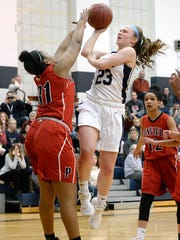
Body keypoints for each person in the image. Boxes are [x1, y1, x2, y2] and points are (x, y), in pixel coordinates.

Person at [77, 23, 167, 229]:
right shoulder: (110, 53)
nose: (120, 32)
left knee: (107, 167)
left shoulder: (129, 52)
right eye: (120, 30)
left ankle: (100, 205)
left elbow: (99, 64)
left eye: (125, 31)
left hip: (113, 110)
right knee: (87, 150)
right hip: (92, 104)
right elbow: (85, 52)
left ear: (133, 40)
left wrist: (94, 59)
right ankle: (83, 192)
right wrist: (97, 32)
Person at [18, 9, 89, 240]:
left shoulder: (45, 72)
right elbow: (75, 46)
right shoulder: (59, 69)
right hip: (53, 132)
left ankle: (50, 237)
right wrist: (83, 26)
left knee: (46, 194)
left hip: (36, 131)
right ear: (48, 60)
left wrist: (76, 26)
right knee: (67, 197)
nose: (52, 53)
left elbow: (64, 45)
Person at [131, 88, 179, 240]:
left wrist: (157, 142)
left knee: (178, 199)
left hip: (169, 161)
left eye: (152, 99)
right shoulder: (144, 119)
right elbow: (143, 136)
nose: (149, 102)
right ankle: (140, 235)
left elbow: (176, 141)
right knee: (146, 197)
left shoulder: (168, 119)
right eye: (146, 99)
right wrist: (138, 147)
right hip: (151, 162)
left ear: (160, 102)